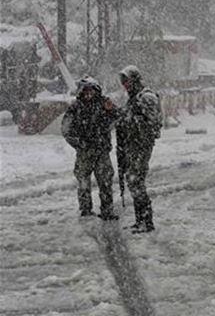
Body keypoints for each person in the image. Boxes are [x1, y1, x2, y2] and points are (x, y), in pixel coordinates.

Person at [61, 76, 120, 220]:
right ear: (81, 91)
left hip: (101, 151)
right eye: (85, 91)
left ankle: (107, 211)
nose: (88, 94)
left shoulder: (104, 103)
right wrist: (79, 143)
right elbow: (66, 129)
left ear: (96, 90)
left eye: (91, 90)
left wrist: (111, 110)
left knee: (105, 181)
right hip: (84, 152)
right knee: (83, 183)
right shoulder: (75, 107)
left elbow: (118, 118)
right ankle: (86, 211)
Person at [116, 65, 161, 233]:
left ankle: (146, 221)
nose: (125, 85)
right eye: (123, 82)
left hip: (141, 147)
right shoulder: (134, 97)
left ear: (134, 80)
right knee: (133, 181)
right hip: (133, 146)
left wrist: (128, 121)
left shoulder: (146, 97)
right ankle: (140, 219)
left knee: (136, 181)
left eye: (126, 81)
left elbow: (152, 124)